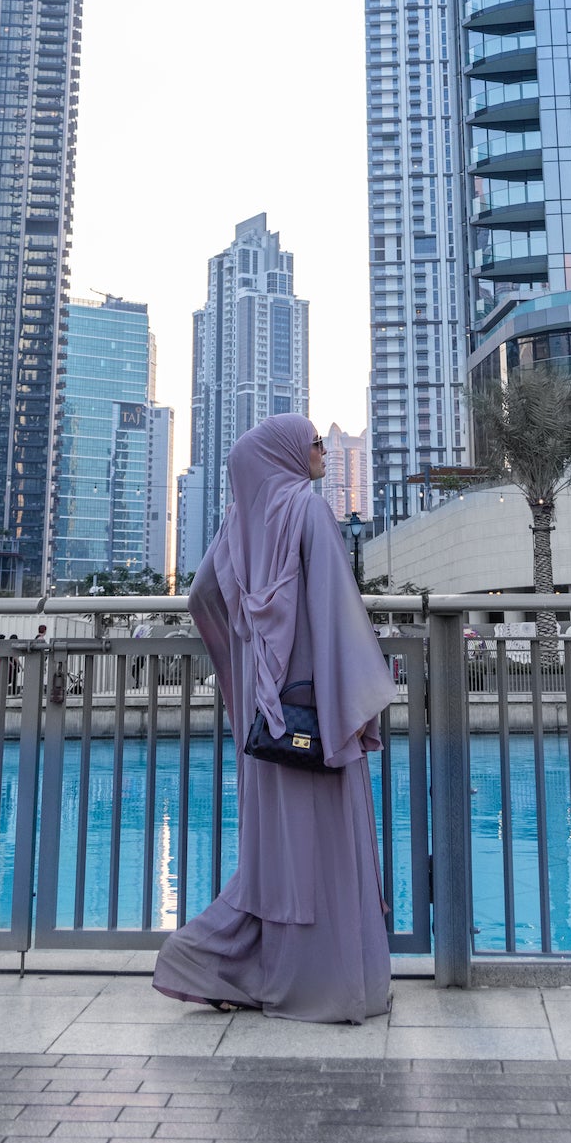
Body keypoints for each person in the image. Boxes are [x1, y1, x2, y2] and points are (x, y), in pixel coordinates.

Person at [152, 414, 395, 1024]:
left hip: (268, 727)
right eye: (314, 444)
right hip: (317, 721)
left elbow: (202, 598)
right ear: (286, 453)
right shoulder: (308, 511)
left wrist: (247, 672)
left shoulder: (238, 524)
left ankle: (215, 961)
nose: (321, 453)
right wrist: (353, 705)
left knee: (277, 859)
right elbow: (338, 611)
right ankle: (334, 984)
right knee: (327, 852)